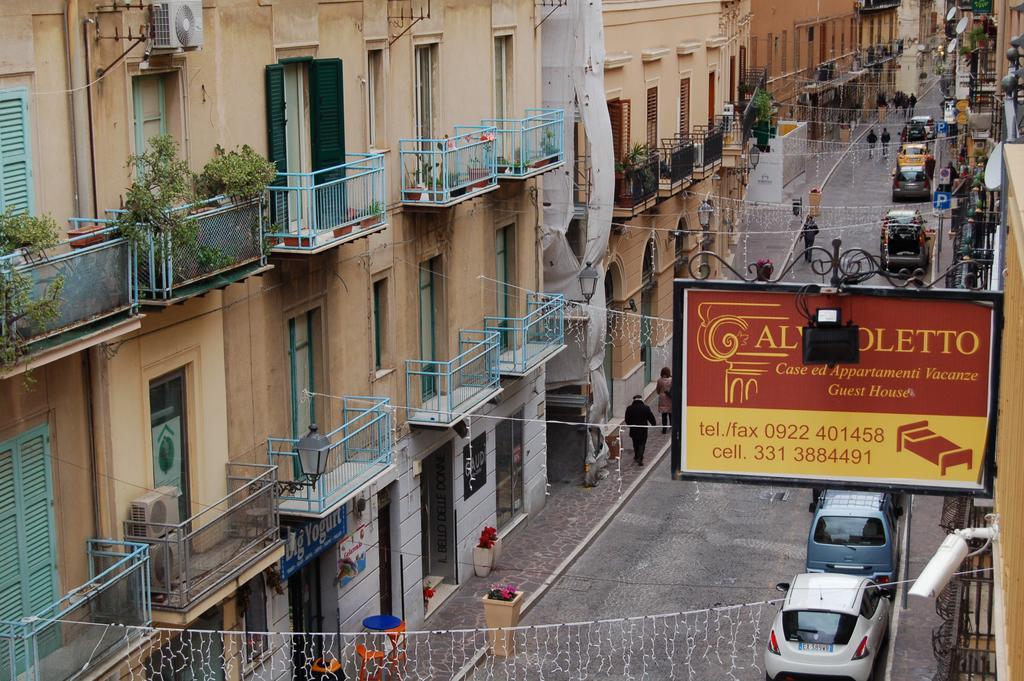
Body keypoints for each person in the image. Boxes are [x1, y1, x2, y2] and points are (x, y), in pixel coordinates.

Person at [624, 395, 656, 466]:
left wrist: (630, 425)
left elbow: (627, 419)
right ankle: (640, 457)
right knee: (642, 443)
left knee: (635, 443)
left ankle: (636, 455)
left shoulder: (629, 408)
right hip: (643, 429)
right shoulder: (646, 408)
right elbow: (650, 417)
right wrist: (653, 423)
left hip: (634, 429)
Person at [656, 368, 673, 434]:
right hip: (669, 398)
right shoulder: (671, 380)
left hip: (662, 398)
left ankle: (664, 429)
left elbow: (657, 390)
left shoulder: (659, 380)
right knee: (670, 413)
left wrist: (661, 393)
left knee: (664, 415)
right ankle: (671, 426)